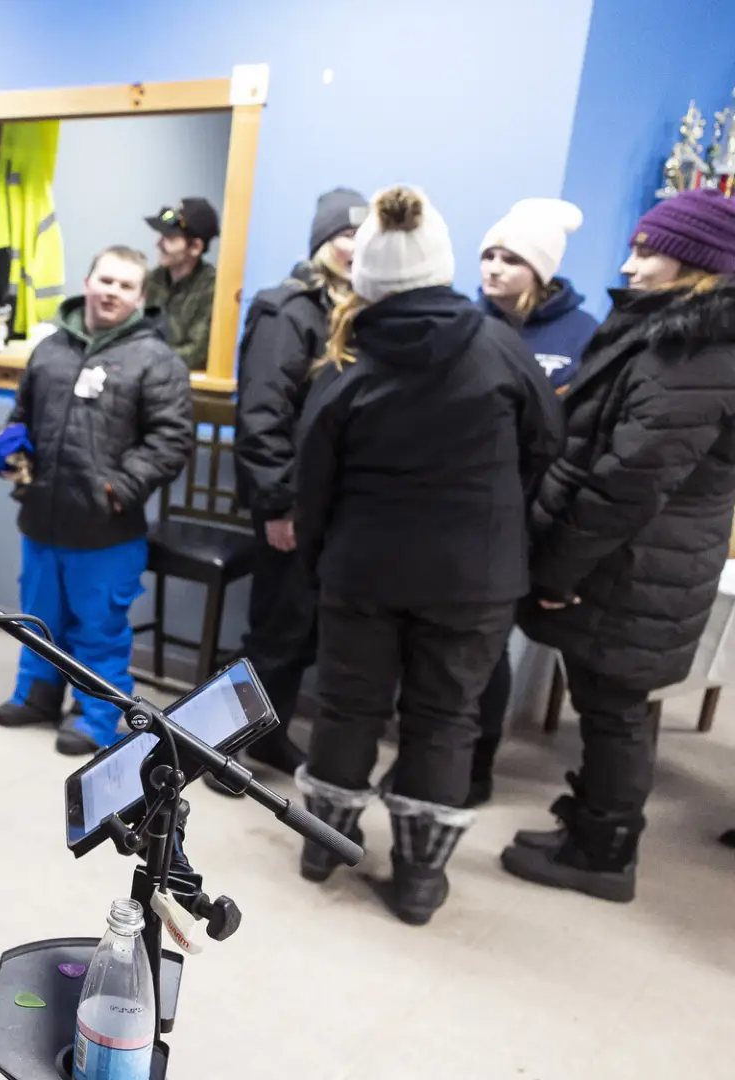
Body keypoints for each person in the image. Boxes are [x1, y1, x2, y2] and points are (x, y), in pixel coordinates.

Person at [292, 186, 562, 925]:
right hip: (474, 577)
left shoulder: (347, 360)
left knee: (347, 708)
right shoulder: (499, 345)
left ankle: (324, 848)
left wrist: (320, 559)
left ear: (369, 277)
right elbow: (548, 441)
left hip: (363, 569)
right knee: (446, 719)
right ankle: (416, 880)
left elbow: (311, 480)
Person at [502, 187, 735, 903]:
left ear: (692, 265)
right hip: (636, 563)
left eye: (646, 251)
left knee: (614, 709)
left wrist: (562, 567)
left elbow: (628, 479)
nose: (629, 267)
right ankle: (591, 830)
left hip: (634, 567)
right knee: (608, 704)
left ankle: (603, 854)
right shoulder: (676, 337)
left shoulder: (695, 353)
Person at [0, 246, 194, 755]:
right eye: (105, 280)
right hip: (41, 517)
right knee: (38, 617)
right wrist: (11, 444)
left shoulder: (157, 361)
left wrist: (116, 490)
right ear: (86, 281)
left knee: (99, 626)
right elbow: (22, 413)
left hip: (107, 527)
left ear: (141, 297)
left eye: (125, 285)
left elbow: (171, 442)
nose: (112, 292)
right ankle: (36, 694)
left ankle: (96, 715)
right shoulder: (50, 349)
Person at [226, 187, 367, 788]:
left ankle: (270, 734)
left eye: (366, 239)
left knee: (306, 632)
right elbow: (262, 417)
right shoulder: (288, 310)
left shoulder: (362, 311)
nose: (355, 248)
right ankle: (223, 752)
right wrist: (279, 506)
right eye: (344, 236)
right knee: (276, 635)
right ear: (322, 242)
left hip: (338, 510)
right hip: (290, 504)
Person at [467, 197, 601, 806]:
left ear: (541, 271)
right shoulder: (463, 321)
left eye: (512, 259)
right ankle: (453, 763)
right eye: (488, 255)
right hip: (465, 513)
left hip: (534, 513)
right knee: (466, 648)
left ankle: (481, 762)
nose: (494, 269)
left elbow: (584, 435)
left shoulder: (581, 334)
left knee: (498, 648)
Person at [143, 196, 221, 371]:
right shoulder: (151, 279)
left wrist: (145, 361)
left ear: (195, 247)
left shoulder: (213, 289)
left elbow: (196, 352)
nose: (159, 243)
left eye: (169, 237)